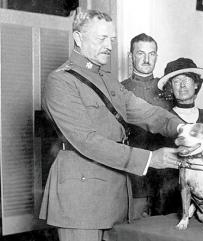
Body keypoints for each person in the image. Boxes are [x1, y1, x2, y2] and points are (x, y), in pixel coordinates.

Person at [39, 9, 185, 241]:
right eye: (101, 38)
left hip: (116, 195)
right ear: (78, 38)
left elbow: (145, 111)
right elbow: (88, 142)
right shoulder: (60, 81)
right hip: (81, 202)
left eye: (112, 39)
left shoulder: (108, 80)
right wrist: (150, 159)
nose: (109, 45)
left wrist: (182, 128)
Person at [121, 33, 174, 217]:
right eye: (140, 53)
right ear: (130, 56)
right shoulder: (119, 90)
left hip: (166, 176)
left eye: (151, 54)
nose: (146, 59)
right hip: (135, 175)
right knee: (134, 227)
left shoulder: (169, 90)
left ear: (157, 57)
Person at [158, 57, 203, 157]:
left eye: (186, 80)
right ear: (171, 88)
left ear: (196, 84)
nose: (182, 85)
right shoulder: (164, 119)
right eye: (176, 81)